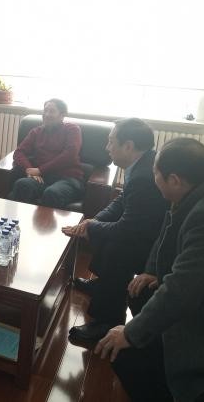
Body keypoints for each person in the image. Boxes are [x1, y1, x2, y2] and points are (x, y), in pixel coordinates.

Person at [95, 138, 204, 402]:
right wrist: (153, 271)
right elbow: (168, 237)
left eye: (156, 175)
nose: (154, 180)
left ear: (174, 180)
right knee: (140, 292)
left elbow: (181, 292)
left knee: (123, 354)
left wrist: (129, 332)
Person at [62, 118, 167, 341]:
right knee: (101, 229)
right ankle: (103, 285)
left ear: (128, 146)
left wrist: (94, 226)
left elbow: (128, 229)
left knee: (116, 248)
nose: (106, 147)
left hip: (160, 244)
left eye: (111, 142)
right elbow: (121, 202)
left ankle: (107, 320)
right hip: (147, 229)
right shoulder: (142, 163)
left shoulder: (143, 177)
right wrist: (94, 221)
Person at [8, 98, 84, 209]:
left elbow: (70, 154)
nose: (47, 114)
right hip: (42, 178)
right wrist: (29, 169)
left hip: (68, 178)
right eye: (45, 111)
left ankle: (45, 221)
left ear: (62, 115)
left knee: (52, 193)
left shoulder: (72, 129)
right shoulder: (36, 132)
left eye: (52, 111)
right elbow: (19, 152)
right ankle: (18, 219)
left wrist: (40, 170)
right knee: (22, 184)